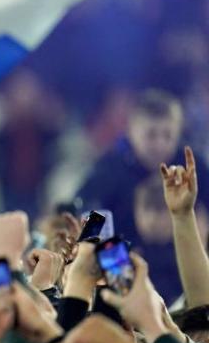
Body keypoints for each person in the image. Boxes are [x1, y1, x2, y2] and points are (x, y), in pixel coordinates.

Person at [77, 89, 208, 244]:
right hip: (126, 260)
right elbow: (89, 223)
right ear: (131, 132)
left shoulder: (191, 166)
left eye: (168, 135)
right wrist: (117, 265)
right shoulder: (110, 170)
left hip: (184, 260)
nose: (160, 144)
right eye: (151, 134)